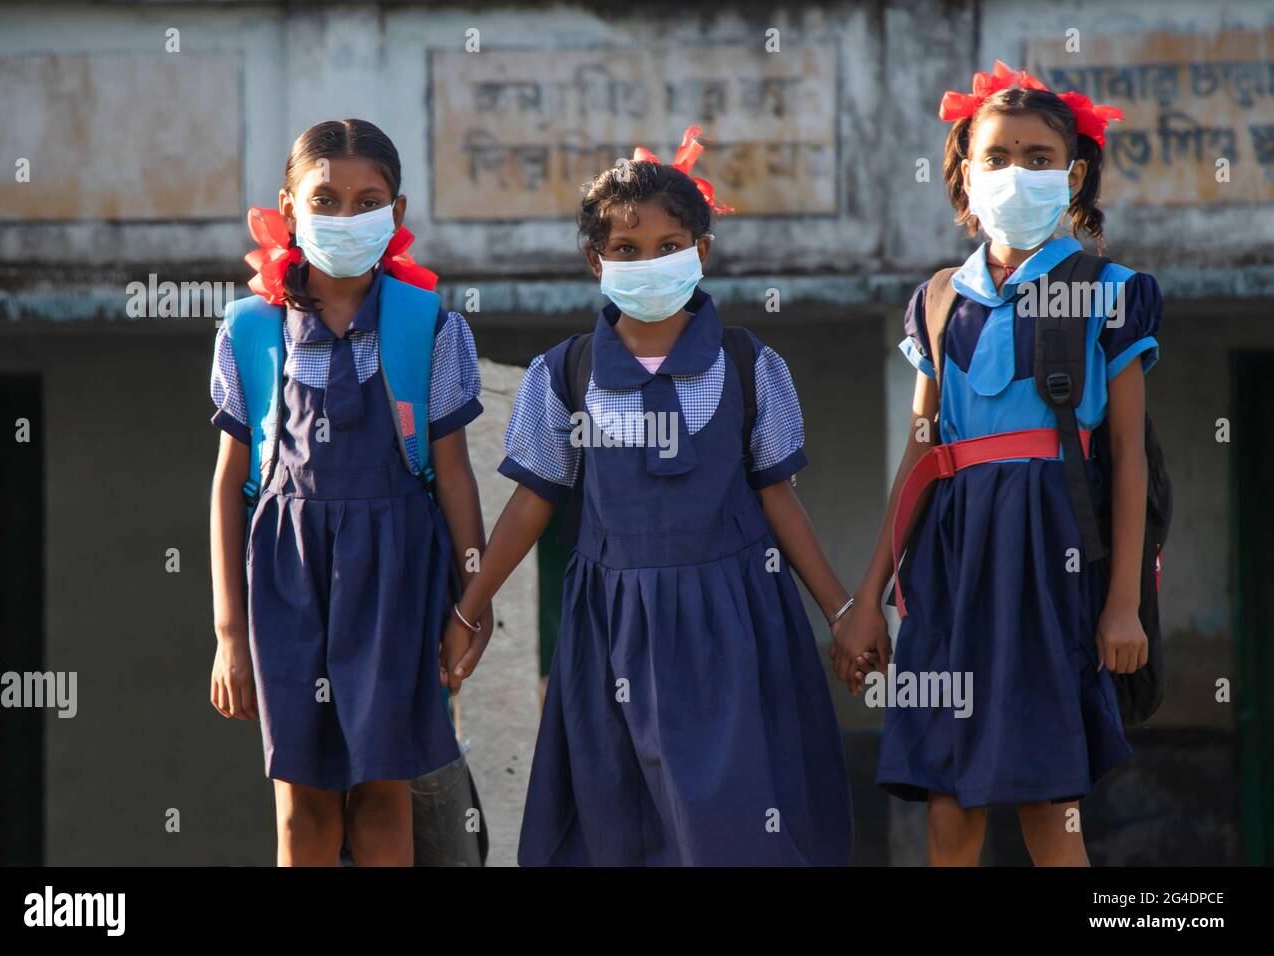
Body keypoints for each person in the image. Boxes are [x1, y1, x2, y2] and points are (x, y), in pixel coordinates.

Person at [443, 127, 855, 866]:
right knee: (617, 828)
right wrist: (468, 607)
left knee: (734, 827)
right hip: (612, 635)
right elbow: (532, 502)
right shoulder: (564, 373)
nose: (648, 263)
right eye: (626, 251)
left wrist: (845, 612)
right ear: (595, 261)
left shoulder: (749, 365)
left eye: (669, 245)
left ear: (702, 250)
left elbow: (778, 499)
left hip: (735, 625)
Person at [833, 63, 1162, 865]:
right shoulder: (939, 300)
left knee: (1050, 796)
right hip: (950, 558)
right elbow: (920, 455)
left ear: (1072, 173)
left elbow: (1126, 459)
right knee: (946, 793)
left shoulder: (1107, 290)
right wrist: (869, 599)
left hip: (1054, 552)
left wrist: (1123, 606)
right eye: (998, 156)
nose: (1018, 173)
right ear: (966, 172)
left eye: (1040, 157)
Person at [207, 119, 491, 866]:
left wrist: (473, 595)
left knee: (382, 795)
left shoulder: (427, 326)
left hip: (397, 570)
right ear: (288, 206)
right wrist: (230, 635)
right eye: (324, 199)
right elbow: (231, 484)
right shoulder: (250, 329)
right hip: (287, 576)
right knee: (301, 806)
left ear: (397, 215)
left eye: (367, 201)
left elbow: (453, 471)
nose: (343, 217)